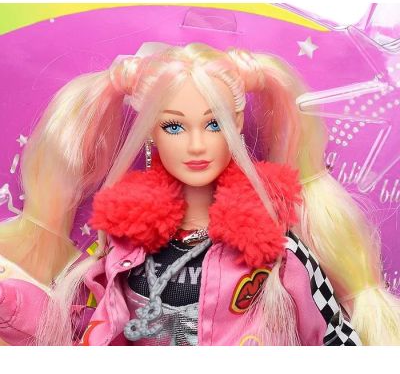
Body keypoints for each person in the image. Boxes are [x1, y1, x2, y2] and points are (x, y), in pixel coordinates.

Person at [0, 42, 398, 345]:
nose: (196, 146)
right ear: (150, 131)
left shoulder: (274, 248)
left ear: (237, 123)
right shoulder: (123, 244)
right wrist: (13, 306)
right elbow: (85, 331)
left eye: (214, 124)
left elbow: (330, 338)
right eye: (174, 126)